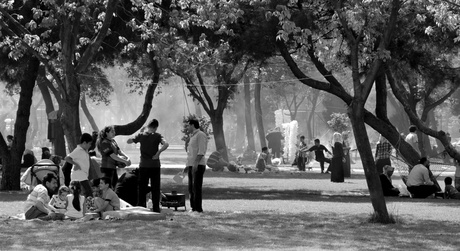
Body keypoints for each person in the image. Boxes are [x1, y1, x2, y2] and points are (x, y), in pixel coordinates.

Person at [127, 119, 169, 212]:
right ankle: (156, 208)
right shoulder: (158, 136)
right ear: (155, 127)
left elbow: (128, 141)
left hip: (144, 165)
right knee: (155, 187)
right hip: (155, 165)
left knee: (142, 187)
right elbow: (166, 144)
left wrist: (139, 133)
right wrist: (158, 153)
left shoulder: (141, 135)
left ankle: (141, 207)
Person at [186, 119, 208, 213]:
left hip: (198, 165)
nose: (187, 127)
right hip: (191, 165)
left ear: (192, 125)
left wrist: (196, 163)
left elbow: (201, 151)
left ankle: (198, 208)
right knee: (191, 187)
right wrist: (188, 165)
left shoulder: (200, 135)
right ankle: (193, 207)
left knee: (196, 187)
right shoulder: (192, 136)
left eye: (188, 125)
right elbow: (191, 152)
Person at [64, 133, 93, 198]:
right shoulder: (78, 150)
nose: (90, 146)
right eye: (89, 144)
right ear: (84, 143)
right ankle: (89, 206)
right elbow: (67, 158)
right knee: (88, 193)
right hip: (79, 176)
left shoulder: (85, 150)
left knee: (81, 194)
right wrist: (76, 164)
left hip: (83, 175)